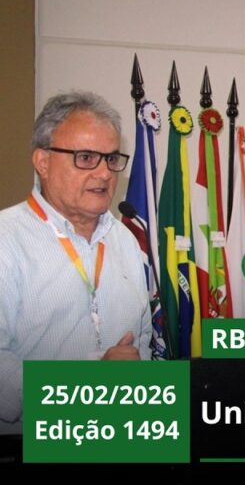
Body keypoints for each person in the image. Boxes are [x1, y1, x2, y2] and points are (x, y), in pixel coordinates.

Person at [0, 91, 151, 432]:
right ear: (42, 162)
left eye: (111, 158)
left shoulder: (125, 240)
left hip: (125, 438)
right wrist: (88, 387)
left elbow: (141, 342)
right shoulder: (6, 239)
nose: (104, 173)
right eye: (86, 157)